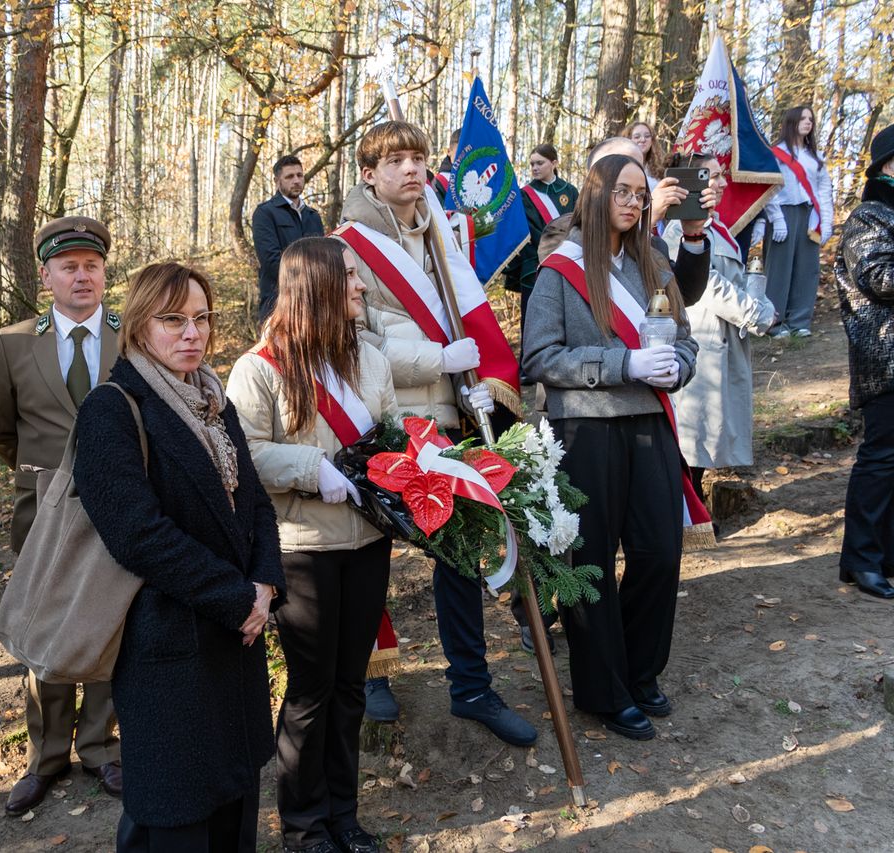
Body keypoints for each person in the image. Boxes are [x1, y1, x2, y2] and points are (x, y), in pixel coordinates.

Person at [334, 120, 536, 747]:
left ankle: (471, 687)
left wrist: (470, 381)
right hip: (381, 420)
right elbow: (351, 343)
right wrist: (437, 360)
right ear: (368, 174)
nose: (410, 169)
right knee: (370, 557)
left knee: (459, 554)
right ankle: (371, 670)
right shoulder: (344, 248)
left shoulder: (442, 235)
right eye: (394, 160)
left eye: (418, 157)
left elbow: (462, 318)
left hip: (447, 416)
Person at [72, 262, 286, 851]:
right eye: (173, 320)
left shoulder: (213, 400)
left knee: (235, 808)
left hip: (236, 638)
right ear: (140, 325)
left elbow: (255, 503)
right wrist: (237, 598)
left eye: (202, 318)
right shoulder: (112, 408)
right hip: (167, 643)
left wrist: (266, 582)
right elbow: (137, 534)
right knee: (175, 817)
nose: (193, 333)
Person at [522, 154, 701, 741]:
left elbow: (687, 339)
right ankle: (604, 689)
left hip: (650, 423)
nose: (632, 202)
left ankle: (639, 672)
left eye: (640, 195)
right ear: (596, 195)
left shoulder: (654, 263)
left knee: (659, 552)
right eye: (622, 191)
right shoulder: (560, 268)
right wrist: (623, 363)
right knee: (591, 561)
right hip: (586, 430)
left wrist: (676, 367)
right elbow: (539, 358)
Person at [227, 238, 396, 853]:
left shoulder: (369, 358)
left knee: (351, 686)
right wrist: (310, 466)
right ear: (317, 285)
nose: (361, 286)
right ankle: (304, 827)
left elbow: (392, 435)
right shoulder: (259, 369)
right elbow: (241, 454)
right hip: (302, 549)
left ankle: (344, 817)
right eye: (349, 276)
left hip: (367, 542)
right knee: (311, 690)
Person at [0, 216, 124, 817]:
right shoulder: (14, 343)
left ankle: (99, 747)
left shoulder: (133, 334)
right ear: (46, 276)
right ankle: (45, 756)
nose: (82, 276)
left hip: (120, 503)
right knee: (46, 623)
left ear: (104, 273)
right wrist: (46, 476)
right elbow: (0, 429)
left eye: (92, 265)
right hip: (42, 504)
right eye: (69, 267)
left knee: (107, 620)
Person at [663, 154, 776, 506]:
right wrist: (756, 314)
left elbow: (739, 282)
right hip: (702, 341)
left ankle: (694, 513)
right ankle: (688, 517)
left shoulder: (720, 229)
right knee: (690, 443)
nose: (723, 182)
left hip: (723, 342)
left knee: (703, 445)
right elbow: (710, 287)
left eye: (721, 174)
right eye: (712, 176)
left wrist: (762, 304)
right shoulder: (676, 230)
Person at [538, 136, 713, 307]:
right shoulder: (560, 232)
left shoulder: (655, 245)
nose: (632, 172)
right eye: (620, 164)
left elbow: (684, 295)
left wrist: (693, 232)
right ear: (593, 179)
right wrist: (647, 220)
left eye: (638, 166)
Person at [835, 122, 894, 600]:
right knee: (881, 459)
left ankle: (887, 553)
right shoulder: (868, 216)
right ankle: (861, 560)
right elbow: (878, 277)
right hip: (885, 357)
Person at [758, 105, 835, 337]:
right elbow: (769, 187)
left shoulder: (816, 157)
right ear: (792, 122)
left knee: (807, 268)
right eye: (803, 119)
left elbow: (824, 190)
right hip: (783, 214)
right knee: (779, 268)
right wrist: (776, 218)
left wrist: (826, 222)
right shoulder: (776, 153)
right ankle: (774, 322)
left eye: (810, 119)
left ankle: (800, 321)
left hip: (810, 215)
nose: (808, 122)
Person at [505, 143, 580, 330]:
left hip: (570, 261)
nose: (534, 168)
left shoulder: (570, 191)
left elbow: (579, 224)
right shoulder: (524, 195)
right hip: (534, 264)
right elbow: (526, 230)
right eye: (532, 164)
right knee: (534, 320)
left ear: (554, 163)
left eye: (540, 163)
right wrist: (550, 250)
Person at [253, 155, 326, 320]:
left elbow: (322, 259)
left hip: (314, 304)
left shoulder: (313, 216)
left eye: (299, 175)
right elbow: (271, 261)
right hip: (278, 303)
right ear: (277, 181)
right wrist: (308, 280)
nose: (296, 181)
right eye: (289, 176)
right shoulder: (265, 213)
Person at [626, 121, 665, 188]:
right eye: (637, 137)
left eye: (647, 136)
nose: (643, 140)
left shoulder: (659, 168)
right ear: (628, 140)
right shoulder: (623, 166)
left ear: (652, 141)